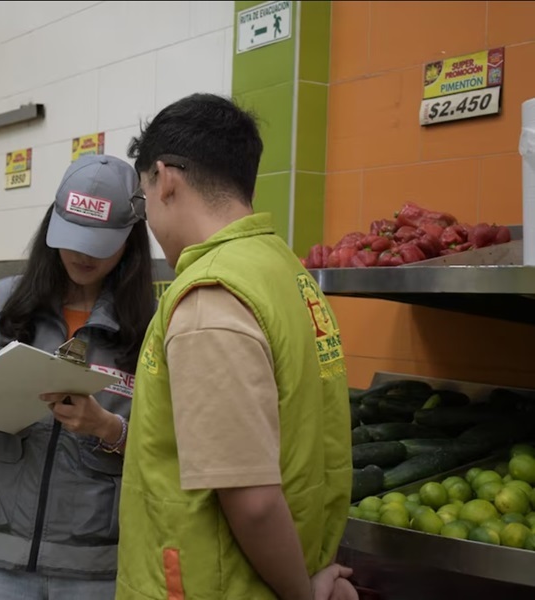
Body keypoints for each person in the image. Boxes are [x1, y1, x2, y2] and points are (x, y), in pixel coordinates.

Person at [108, 93, 357, 599]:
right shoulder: (284, 271)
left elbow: (253, 500)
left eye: (144, 198)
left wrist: (303, 595)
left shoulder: (210, 298)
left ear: (167, 180)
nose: (149, 219)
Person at [0, 155, 156, 599]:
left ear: (129, 241)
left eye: (98, 244)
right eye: (72, 238)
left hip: (95, 566)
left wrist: (107, 427)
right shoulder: (5, 303)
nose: (81, 254)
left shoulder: (150, 326)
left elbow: (164, 447)